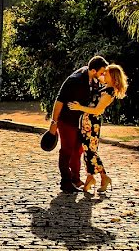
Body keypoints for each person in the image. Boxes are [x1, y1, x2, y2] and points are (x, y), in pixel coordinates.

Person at [47, 56, 110, 193]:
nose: (103, 75)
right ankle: (66, 181)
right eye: (101, 72)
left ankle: (75, 179)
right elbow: (59, 100)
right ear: (93, 70)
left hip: (81, 122)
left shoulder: (94, 79)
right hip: (66, 120)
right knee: (66, 151)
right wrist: (54, 122)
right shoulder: (75, 80)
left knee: (78, 151)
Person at [67, 63, 128, 193]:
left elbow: (97, 110)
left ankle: (103, 177)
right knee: (87, 150)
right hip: (86, 121)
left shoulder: (109, 92)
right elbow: (95, 74)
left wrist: (79, 108)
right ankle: (92, 177)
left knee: (91, 151)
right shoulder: (106, 86)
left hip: (92, 122)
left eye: (106, 73)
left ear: (113, 76)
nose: (103, 75)